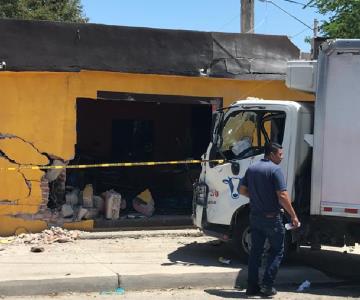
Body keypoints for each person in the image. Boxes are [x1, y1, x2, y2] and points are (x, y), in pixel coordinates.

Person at [238, 142, 300, 297]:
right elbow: (283, 196)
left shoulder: (252, 168)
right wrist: (293, 215)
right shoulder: (275, 170)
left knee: (255, 252)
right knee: (277, 251)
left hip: (255, 217)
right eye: (280, 154)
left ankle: (252, 287)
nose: (282, 157)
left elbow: (241, 190)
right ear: (271, 154)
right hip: (272, 219)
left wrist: (257, 198)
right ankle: (267, 286)